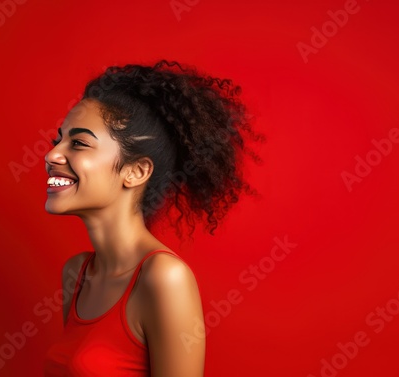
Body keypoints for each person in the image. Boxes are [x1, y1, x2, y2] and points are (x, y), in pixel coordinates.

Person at [43, 60, 265, 377]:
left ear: (136, 171)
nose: (51, 155)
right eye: (57, 141)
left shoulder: (164, 278)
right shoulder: (77, 273)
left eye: (78, 143)